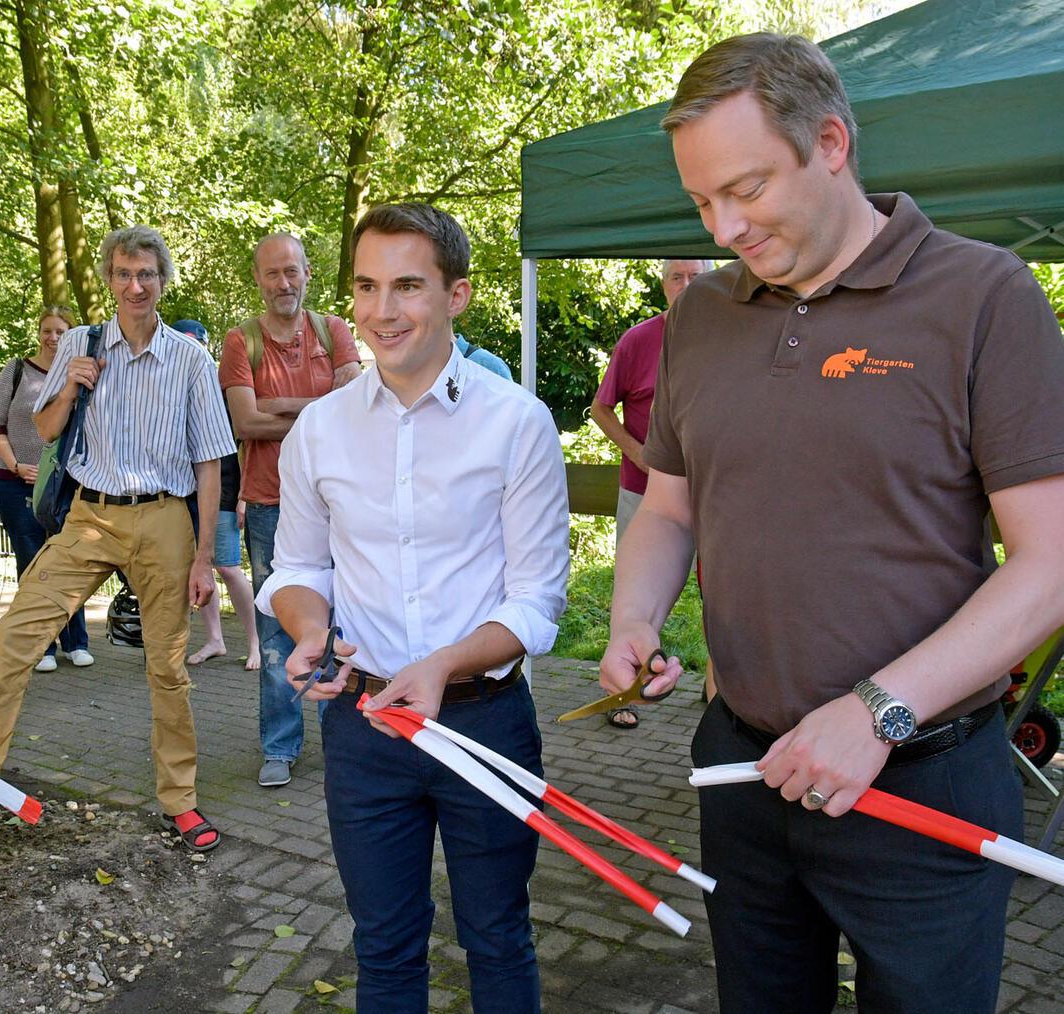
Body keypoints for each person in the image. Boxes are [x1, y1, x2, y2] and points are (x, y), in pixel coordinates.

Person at [599, 33, 1064, 1014]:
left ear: (832, 143)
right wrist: (632, 617)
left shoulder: (985, 297)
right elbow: (669, 507)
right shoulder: (701, 319)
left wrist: (878, 710)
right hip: (740, 767)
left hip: (919, 778)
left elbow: (1050, 561)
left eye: (747, 189)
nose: (723, 228)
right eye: (701, 202)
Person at [260, 204, 569, 1013]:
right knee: (384, 946)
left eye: (407, 286)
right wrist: (308, 631)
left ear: (457, 295)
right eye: (366, 286)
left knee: (498, 937)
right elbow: (296, 567)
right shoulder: (320, 429)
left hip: (486, 721)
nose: (382, 310)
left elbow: (538, 602)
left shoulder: (518, 423)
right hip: (365, 730)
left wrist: (441, 665)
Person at [0, 226, 236, 854]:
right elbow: (43, 431)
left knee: (168, 669)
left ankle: (179, 801)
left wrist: (204, 556)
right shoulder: (80, 342)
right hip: (88, 518)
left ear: (162, 280)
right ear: (108, 279)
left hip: (163, 521)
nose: (136, 286)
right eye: (124, 273)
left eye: (147, 274)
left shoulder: (191, 358)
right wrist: (71, 383)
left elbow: (210, 463)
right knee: (14, 643)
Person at [218, 233, 361, 788]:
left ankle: (342, 743)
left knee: (342, 622)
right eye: (273, 273)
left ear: (307, 274)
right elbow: (244, 423)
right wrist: (317, 409)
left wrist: (277, 404)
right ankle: (280, 745)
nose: (284, 283)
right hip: (270, 504)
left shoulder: (336, 330)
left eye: (292, 271)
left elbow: (353, 407)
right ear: (258, 278)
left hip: (338, 503)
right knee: (278, 631)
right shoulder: (241, 341)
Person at [589, 258, 711, 727]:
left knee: (717, 595)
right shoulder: (639, 340)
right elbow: (601, 409)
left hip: (711, 496)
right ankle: (622, 695)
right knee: (635, 603)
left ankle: (718, 691)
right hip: (645, 495)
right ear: (663, 285)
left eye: (696, 278)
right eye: (677, 277)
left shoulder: (730, 338)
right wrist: (640, 453)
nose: (686, 286)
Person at [0, 305, 94, 674]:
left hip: (64, 484)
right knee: (32, 561)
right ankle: (41, 645)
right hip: (13, 481)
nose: (53, 338)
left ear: (72, 336)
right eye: (47, 330)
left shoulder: (81, 375)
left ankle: (76, 640)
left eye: (61, 331)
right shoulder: (16, 370)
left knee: (67, 561)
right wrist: (16, 465)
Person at [171, 318, 260, 671]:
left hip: (223, 493)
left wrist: (242, 496)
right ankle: (215, 640)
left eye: (198, 344)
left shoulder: (224, 387)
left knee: (228, 567)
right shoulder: (168, 388)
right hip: (183, 496)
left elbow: (247, 442)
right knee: (198, 568)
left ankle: (256, 641)